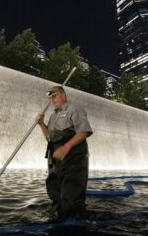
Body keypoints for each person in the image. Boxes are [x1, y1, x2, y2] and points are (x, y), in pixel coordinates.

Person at [35, 86, 93, 219]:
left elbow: (84, 132)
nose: (51, 100)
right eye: (49, 98)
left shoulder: (74, 109)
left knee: (72, 197)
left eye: (54, 96)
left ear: (63, 95)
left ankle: (75, 223)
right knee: (55, 192)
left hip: (74, 158)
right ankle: (58, 219)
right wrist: (41, 124)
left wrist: (66, 147)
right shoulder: (53, 116)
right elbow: (49, 137)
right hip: (56, 159)